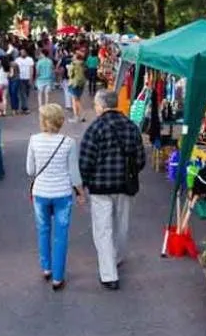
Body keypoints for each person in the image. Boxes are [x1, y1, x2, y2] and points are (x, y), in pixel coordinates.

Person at [80, 90, 145, 290]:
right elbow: (140, 159)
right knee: (121, 224)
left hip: (100, 187)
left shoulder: (95, 128)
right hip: (125, 185)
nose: (95, 108)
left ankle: (109, 275)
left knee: (103, 229)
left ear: (101, 105)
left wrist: (85, 182)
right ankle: (117, 256)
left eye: (96, 105)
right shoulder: (131, 127)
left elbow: (85, 160)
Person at [27, 104, 85, 291]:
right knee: (61, 235)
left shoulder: (34, 140)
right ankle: (58, 277)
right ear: (60, 121)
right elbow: (74, 173)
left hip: (41, 192)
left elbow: (31, 170)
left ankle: (46, 267)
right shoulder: (68, 142)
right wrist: (80, 192)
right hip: (62, 193)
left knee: (43, 229)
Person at [68, 53, 87, 122]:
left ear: (76, 57)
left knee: (75, 100)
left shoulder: (73, 64)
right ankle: (79, 116)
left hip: (74, 83)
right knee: (78, 99)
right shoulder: (83, 64)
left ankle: (79, 115)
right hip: (81, 83)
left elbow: (70, 74)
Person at [15, 48, 34, 114]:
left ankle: (24, 106)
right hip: (20, 78)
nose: (22, 53)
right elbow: (16, 69)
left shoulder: (30, 59)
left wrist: (31, 78)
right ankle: (26, 108)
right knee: (23, 93)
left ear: (26, 53)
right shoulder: (17, 60)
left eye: (24, 52)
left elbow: (31, 69)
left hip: (28, 78)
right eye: (21, 52)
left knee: (27, 93)